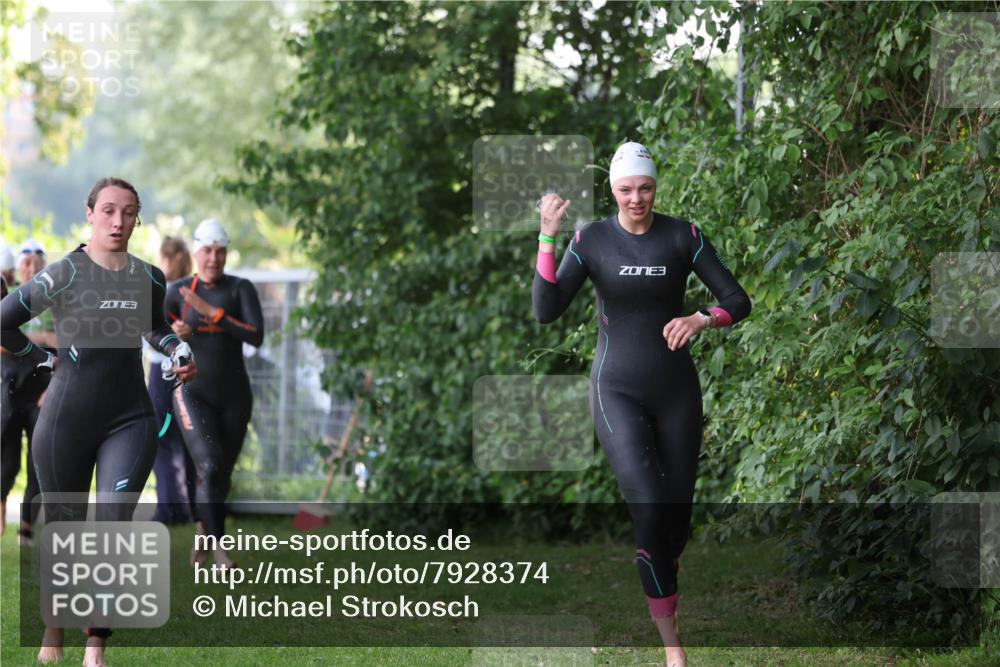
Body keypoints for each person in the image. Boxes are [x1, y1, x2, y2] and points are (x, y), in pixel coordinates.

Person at [532, 142, 751, 667]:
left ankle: (663, 568)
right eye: (627, 189)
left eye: (646, 188)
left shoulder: (683, 236)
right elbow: (546, 309)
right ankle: (673, 650)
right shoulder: (592, 240)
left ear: (657, 187)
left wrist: (702, 319)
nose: (637, 198)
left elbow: (737, 300)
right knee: (651, 510)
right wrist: (547, 236)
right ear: (612, 190)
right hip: (616, 390)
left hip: (677, 391)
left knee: (674, 521)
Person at [0, 177, 197, 667]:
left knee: (112, 528)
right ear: (90, 214)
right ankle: (53, 630)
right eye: (108, 210)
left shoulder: (150, 277)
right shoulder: (64, 273)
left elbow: (154, 329)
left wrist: (179, 349)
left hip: (129, 418)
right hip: (65, 420)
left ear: (136, 218)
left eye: (129, 212)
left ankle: (95, 646)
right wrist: (40, 361)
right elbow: (4, 319)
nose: (118, 220)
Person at [165, 218, 264, 569]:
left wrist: (212, 314)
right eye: (207, 250)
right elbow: (152, 333)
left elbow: (255, 335)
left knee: (221, 474)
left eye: (220, 251)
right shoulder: (177, 291)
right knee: (208, 464)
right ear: (196, 251)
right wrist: (173, 336)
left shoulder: (240, 289)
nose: (214, 258)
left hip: (235, 395)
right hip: (193, 392)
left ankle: (203, 532)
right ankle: (220, 551)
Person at [0, 240, 53, 545]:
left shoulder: (55, 301)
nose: (31, 268)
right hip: (9, 386)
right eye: (26, 263)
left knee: (39, 458)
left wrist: (27, 341)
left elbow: (65, 340)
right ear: (18, 269)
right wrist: (41, 339)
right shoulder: (13, 299)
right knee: (7, 458)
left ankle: (26, 527)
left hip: (43, 389)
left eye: (37, 263)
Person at [148, 237, 198, 525]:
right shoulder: (191, 291)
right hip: (191, 374)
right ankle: (192, 508)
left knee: (162, 441)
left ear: (165, 259)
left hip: (163, 375)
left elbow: (150, 342)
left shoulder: (161, 292)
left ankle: (169, 509)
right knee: (188, 441)